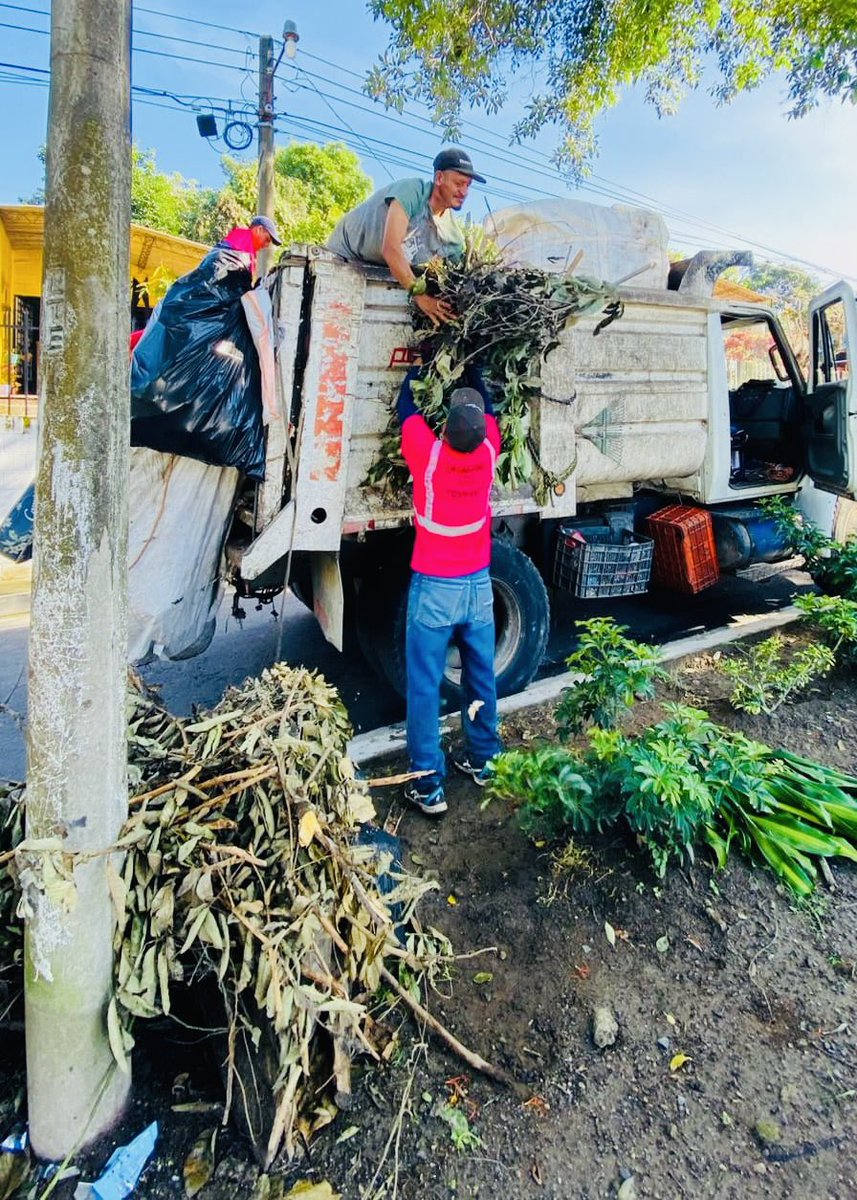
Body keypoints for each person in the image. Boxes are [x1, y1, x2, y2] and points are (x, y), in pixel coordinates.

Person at [396, 366, 504, 816]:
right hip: (478, 586)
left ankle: (428, 784)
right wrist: (477, 371)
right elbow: (492, 410)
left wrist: (417, 372)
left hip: (435, 588)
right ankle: (483, 759)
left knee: (424, 684)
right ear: (481, 434)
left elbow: (406, 408)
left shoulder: (429, 455)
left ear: (445, 428)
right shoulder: (489, 453)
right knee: (480, 676)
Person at [326, 148, 486, 326]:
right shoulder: (412, 192)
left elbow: (458, 278)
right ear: (439, 178)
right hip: (342, 255)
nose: (464, 192)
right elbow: (390, 248)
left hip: (380, 267)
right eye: (458, 183)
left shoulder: (452, 237)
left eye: (468, 185)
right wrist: (421, 297)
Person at [221, 214, 282, 281]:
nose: (267, 245)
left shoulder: (241, 244)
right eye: (267, 239)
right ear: (259, 230)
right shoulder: (240, 245)